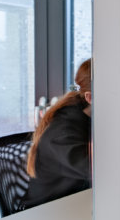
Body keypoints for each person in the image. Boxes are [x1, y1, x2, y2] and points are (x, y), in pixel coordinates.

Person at [24, 59, 92, 209]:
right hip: (46, 216)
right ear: (90, 97)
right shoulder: (62, 133)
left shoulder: (88, 116)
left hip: (77, 205)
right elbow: (102, 170)